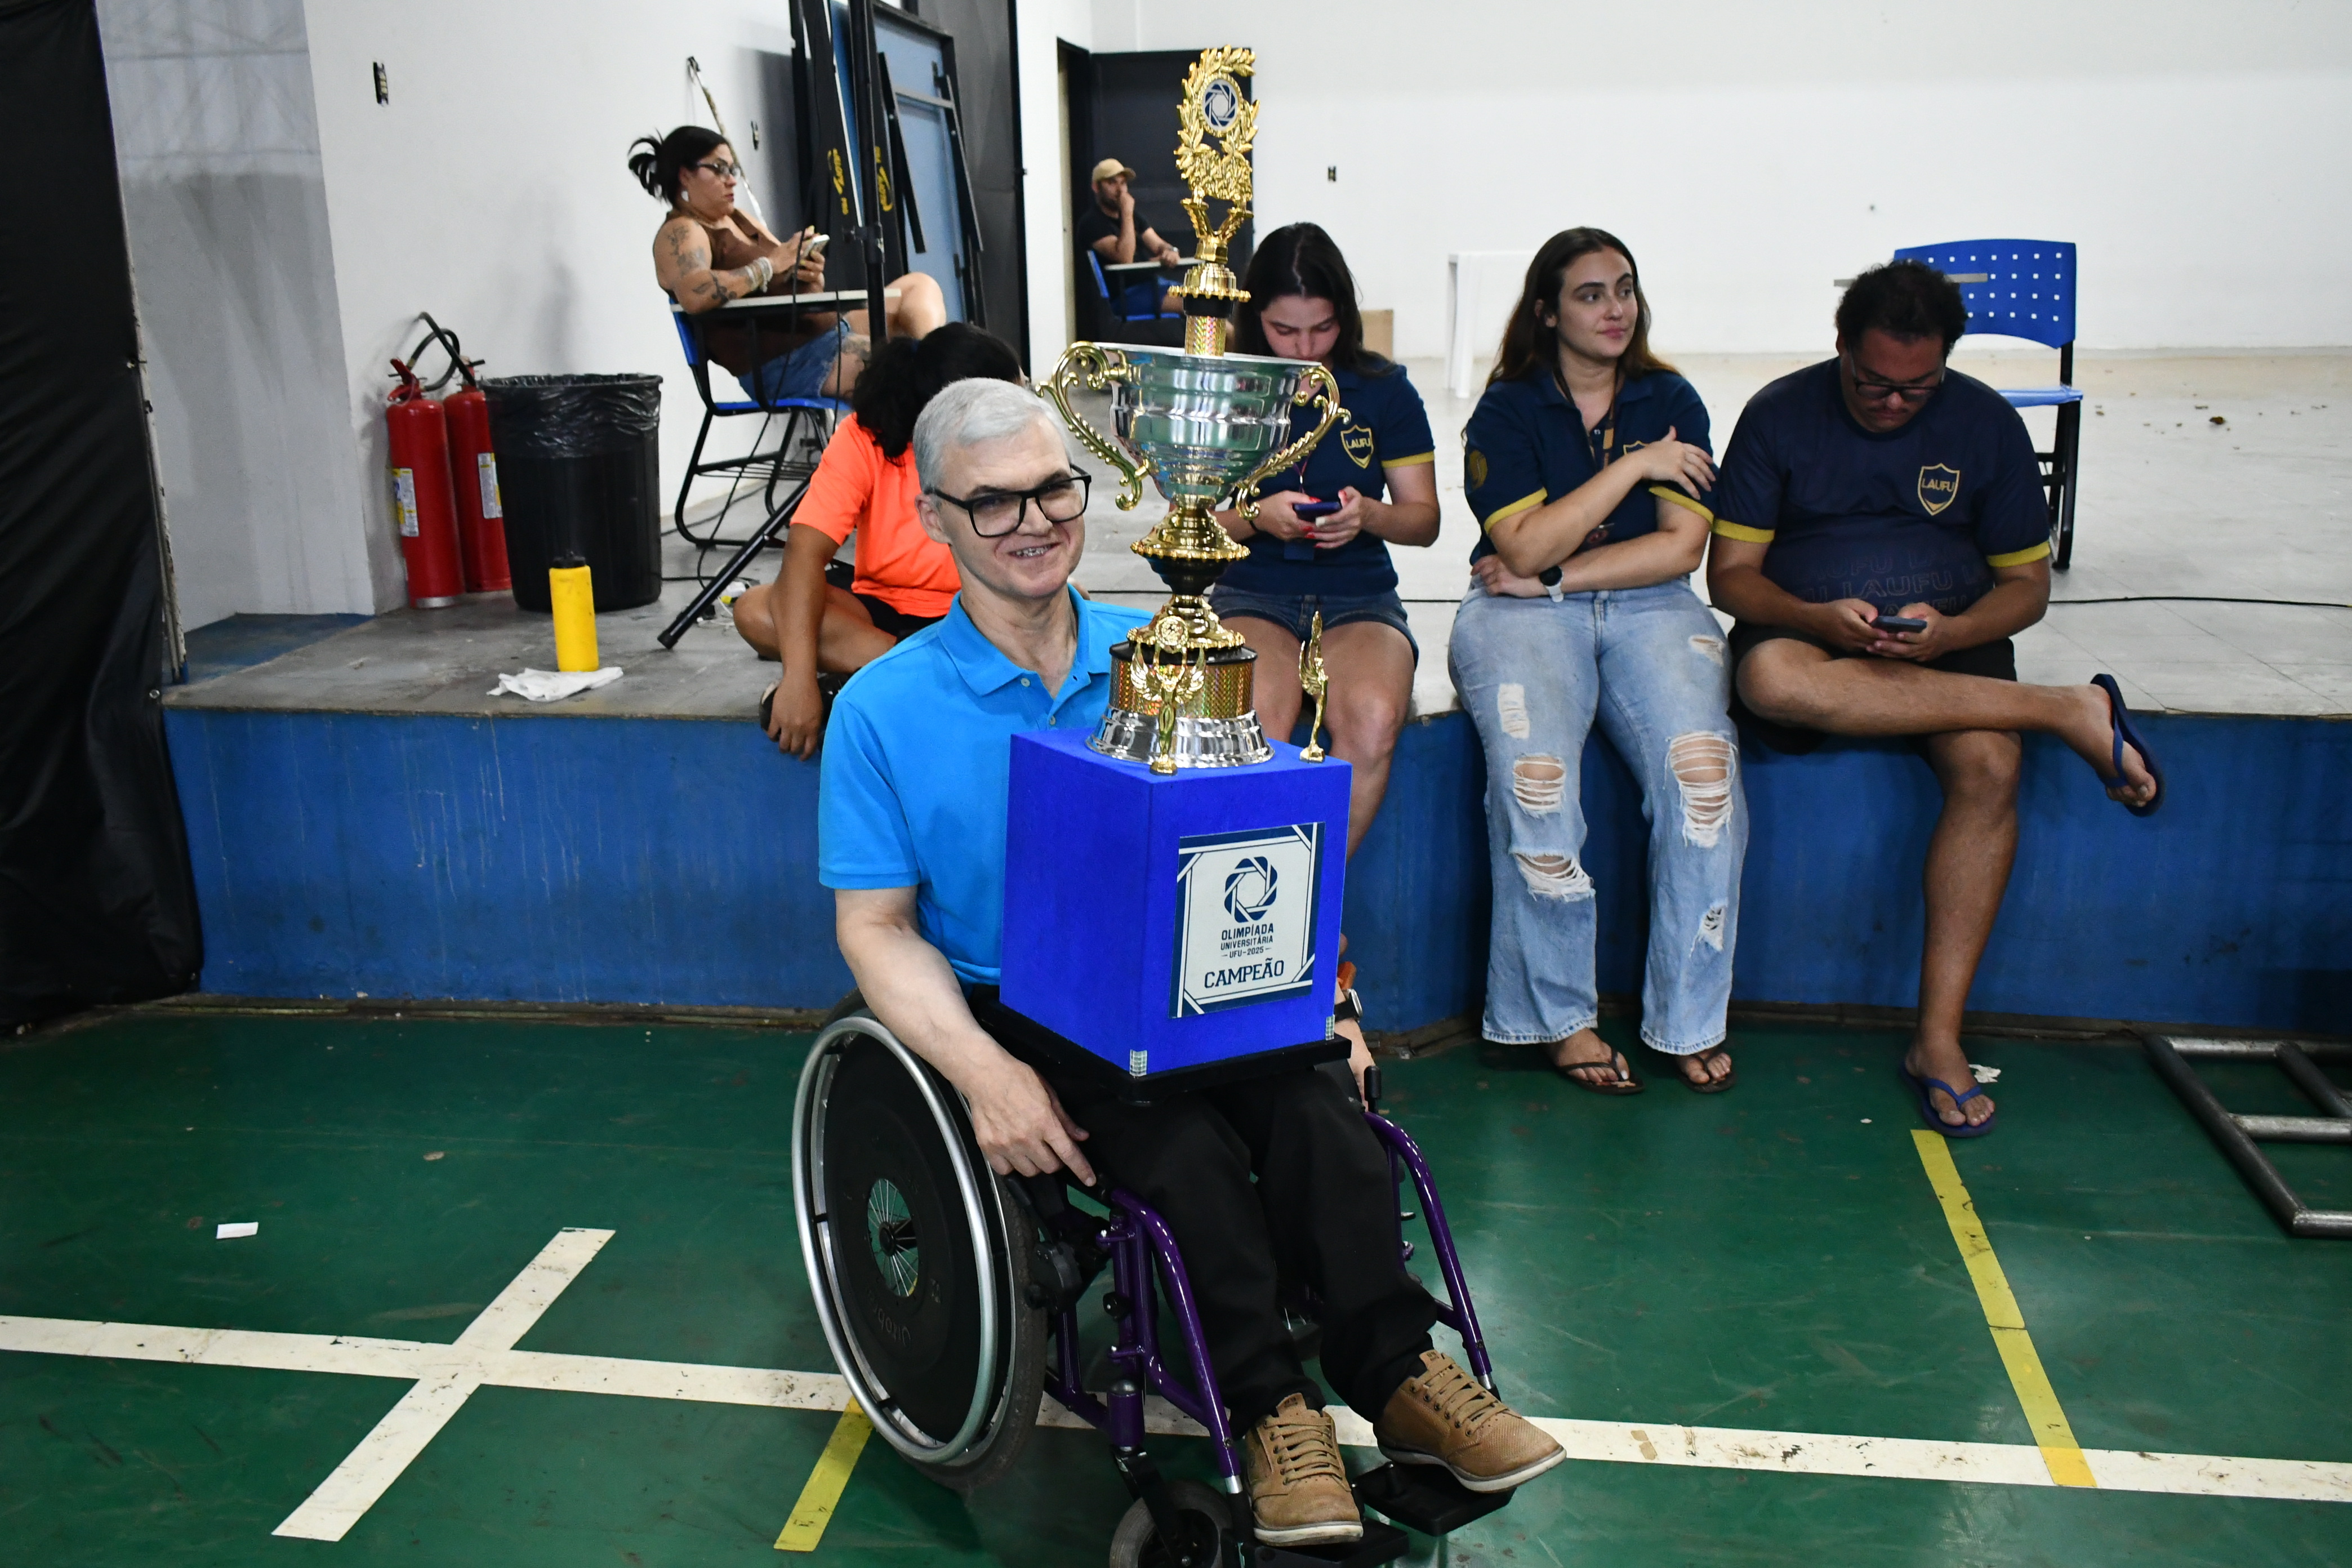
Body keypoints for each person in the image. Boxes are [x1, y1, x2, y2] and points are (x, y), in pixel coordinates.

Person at [819, 379, 1564, 1546]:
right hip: (1026, 1004)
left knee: (1319, 1099)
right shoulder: (883, 710)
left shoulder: (1172, 650)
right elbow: (874, 927)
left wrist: (1340, 997)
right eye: (995, 501)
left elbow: (1270, 849)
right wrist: (980, 1072)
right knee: (1175, 1141)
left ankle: (1400, 1369)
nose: (1033, 521)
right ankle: (1271, 1413)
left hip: (1192, 973)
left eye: (1053, 488)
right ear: (936, 516)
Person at [1705, 260, 2163, 1138]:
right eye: (1874, 383)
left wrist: (1951, 633)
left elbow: (2026, 585)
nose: (1893, 404)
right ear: (1841, 347)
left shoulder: (1984, 421)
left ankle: (1939, 1040)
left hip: (1953, 631)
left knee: (1990, 764)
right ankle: (2070, 709)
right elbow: (1732, 578)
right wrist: (1816, 619)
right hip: (1810, 630)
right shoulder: (1778, 414)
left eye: (1917, 388)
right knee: (1768, 678)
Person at [1451, 228, 1746, 1095]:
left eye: (1624, 289)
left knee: (1705, 781)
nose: (1615, 308)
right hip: (1514, 615)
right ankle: (1559, 1018)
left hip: (1630, 603)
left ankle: (1689, 1017)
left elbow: (1678, 551)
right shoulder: (1507, 411)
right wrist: (1638, 468)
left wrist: (1550, 578)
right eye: (1590, 294)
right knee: (1535, 780)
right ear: (1547, 311)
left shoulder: (1672, 397)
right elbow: (1522, 536)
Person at [1214, 224, 1440, 863]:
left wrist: (1369, 515)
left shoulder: (1384, 390)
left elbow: (1423, 521)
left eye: (1323, 328)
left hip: (1359, 592)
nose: (1306, 346)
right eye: (1285, 331)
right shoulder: (1230, 386)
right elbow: (1189, 524)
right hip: (1253, 588)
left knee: (1371, 718)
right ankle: (1255, 891)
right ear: (1256, 321)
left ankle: (1313, 897)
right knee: (1257, 718)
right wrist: (1258, 516)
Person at [730, 323, 1024, 758]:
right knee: (754, 610)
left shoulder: (1011, 445)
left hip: (977, 615)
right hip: (878, 616)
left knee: (1067, 607)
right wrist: (799, 680)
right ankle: (932, 679)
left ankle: (880, 680)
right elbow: (805, 553)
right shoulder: (864, 435)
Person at [629, 126, 945, 404]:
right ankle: (937, 384)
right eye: (719, 169)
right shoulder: (683, 231)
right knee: (903, 369)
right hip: (787, 361)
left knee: (919, 286)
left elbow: (784, 269)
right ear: (685, 174)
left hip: (825, 330)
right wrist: (769, 265)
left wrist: (808, 274)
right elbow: (694, 293)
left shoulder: (739, 219)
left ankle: (938, 367)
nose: (731, 181)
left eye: (733, 170)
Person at [1074, 157, 1182, 318]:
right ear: (1096, 187)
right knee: (1192, 305)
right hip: (1125, 295)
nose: (1120, 190)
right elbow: (1125, 258)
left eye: (1123, 183)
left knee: (1205, 299)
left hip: (1152, 285)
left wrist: (1170, 251)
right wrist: (1126, 213)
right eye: (1112, 183)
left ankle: (1227, 339)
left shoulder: (1134, 217)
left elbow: (1158, 244)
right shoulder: (1092, 222)